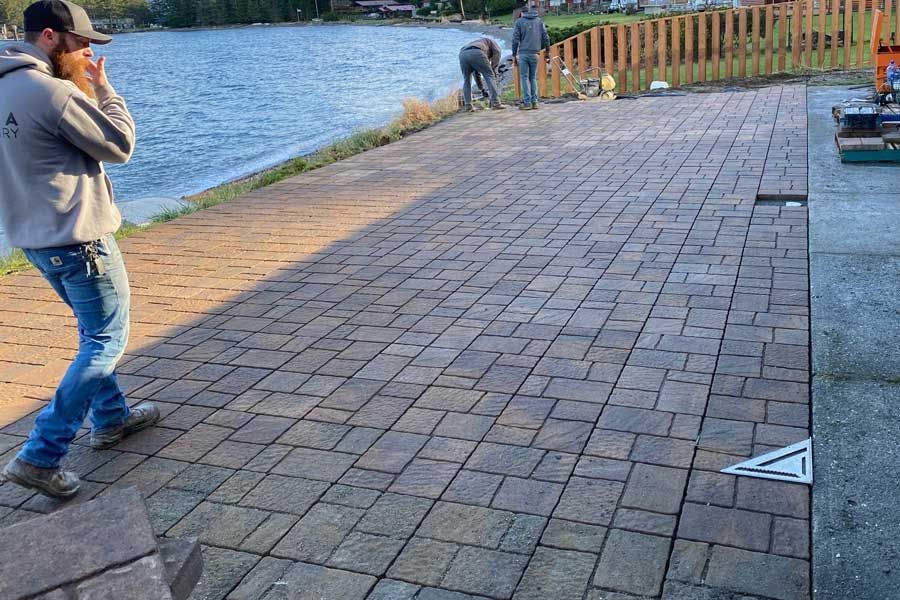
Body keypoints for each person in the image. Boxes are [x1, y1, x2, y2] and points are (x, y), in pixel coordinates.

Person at [0, 0, 158, 498]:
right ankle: (40, 456)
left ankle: (111, 418)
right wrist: (105, 91)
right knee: (106, 340)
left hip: (35, 239)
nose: (88, 53)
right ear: (49, 37)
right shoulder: (51, 93)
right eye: (81, 42)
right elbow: (120, 145)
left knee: (93, 333)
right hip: (80, 239)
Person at [512, 0, 551, 110]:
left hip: (523, 53)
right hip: (535, 54)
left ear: (522, 13)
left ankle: (527, 102)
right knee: (533, 77)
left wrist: (514, 54)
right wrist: (547, 51)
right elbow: (546, 37)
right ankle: (535, 102)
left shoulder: (519, 22)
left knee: (524, 77)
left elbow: (515, 39)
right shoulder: (539, 21)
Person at [459, 37, 506, 111]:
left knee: (466, 80)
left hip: (462, 54)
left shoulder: (481, 43)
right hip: (477, 52)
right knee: (489, 76)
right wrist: (493, 69)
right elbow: (497, 54)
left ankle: (468, 105)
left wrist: (481, 89)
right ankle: (496, 103)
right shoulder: (495, 46)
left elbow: (476, 74)